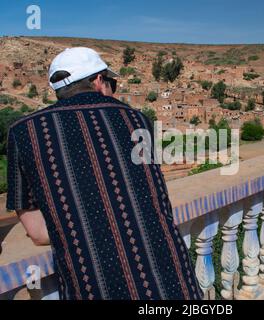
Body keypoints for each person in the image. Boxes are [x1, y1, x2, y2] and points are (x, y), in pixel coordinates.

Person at [6, 47, 202, 300]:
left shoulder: (24, 132)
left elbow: (38, 232)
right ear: (99, 81)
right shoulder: (138, 120)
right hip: (171, 281)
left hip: (93, 284)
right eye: (112, 84)